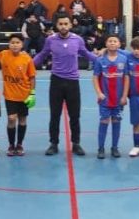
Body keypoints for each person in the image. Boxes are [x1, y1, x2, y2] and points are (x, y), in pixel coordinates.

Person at [34, 16, 97, 156]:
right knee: (54, 115)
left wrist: (101, 61)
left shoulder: (78, 40)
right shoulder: (50, 40)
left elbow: (86, 53)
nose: (63, 26)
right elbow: (42, 54)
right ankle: (53, 143)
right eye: (60, 24)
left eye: (66, 24)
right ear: (57, 25)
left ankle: (76, 143)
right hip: (56, 81)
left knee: (75, 115)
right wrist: (28, 64)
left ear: (70, 25)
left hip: (73, 82)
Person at [0, 34, 37, 156]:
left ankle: (19, 144)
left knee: (22, 119)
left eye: (17, 42)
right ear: (9, 44)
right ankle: (11, 145)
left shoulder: (27, 59)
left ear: (22, 44)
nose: (15, 45)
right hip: (10, 95)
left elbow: (32, 77)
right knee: (11, 119)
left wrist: (32, 93)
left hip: (24, 95)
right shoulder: (3, 55)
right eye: (12, 42)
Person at [92, 34, 127, 159]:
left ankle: (114, 147)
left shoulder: (123, 59)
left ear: (119, 44)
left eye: (115, 41)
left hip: (118, 98)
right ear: (106, 44)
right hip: (105, 98)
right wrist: (99, 93)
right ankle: (101, 148)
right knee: (104, 121)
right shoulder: (100, 60)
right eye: (110, 41)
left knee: (116, 121)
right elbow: (95, 77)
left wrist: (124, 96)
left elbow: (126, 78)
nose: (112, 43)